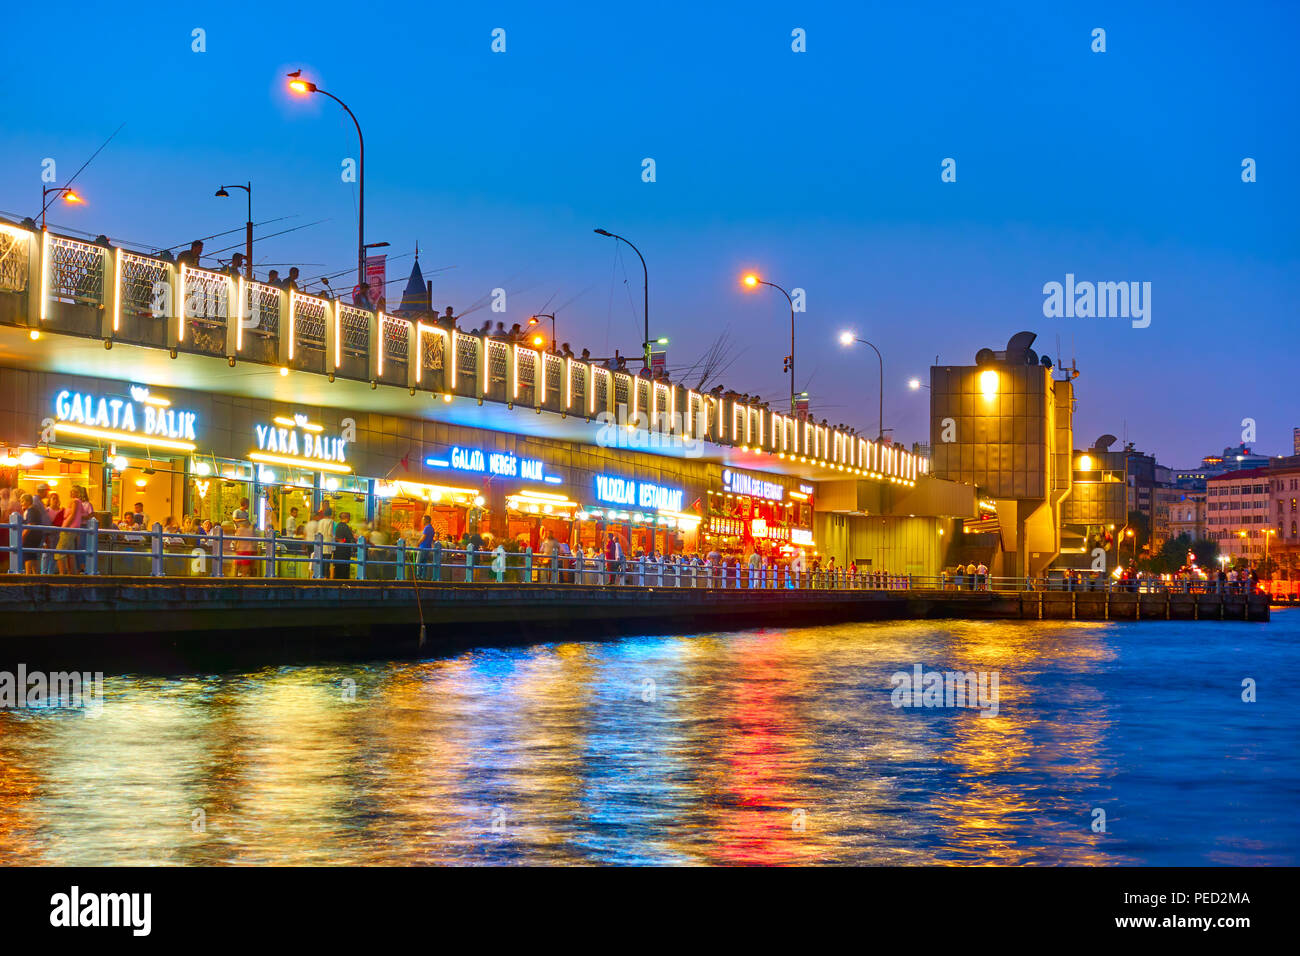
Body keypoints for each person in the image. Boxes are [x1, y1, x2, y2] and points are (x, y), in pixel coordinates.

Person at [57, 485, 92, 575]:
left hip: (69, 528)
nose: (71, 492)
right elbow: (82, 514)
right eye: (71, 491)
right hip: (74, 528)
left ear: (77, 493)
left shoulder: (75, 502)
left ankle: (62, 573)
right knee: (71, 551)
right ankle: (71, 572)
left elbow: (73, 515)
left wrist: (64, 527)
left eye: (73, 491)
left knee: (60, 551)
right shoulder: (79, 502)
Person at [20, 494, 42, 574]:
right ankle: (36, 576)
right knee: (33, 557)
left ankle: (28, 575)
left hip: (31, 537)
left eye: (22, 501)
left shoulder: (31, 511)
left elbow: (30, 524)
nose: (21, 503)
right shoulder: (35, 510)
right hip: (36, 536)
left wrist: (22, 536)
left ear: (28, 501)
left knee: (27, 557)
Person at [333, 512, 355, 579]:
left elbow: (338, 538)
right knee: (344, 570)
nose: (350, 519)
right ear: (346, 518)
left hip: (338, 551)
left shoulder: (338, 526)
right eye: (349, 517)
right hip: (344, 552)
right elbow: (349, 538)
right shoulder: (345, 526)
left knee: (338, 570)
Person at [416, 514, 434, 581]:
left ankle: (418, 577)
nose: (422, 521)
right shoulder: (432, 528)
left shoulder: (427, 528)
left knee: (419, 562)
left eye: (423, 520)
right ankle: (423, 577)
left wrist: (418, 543)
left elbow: (423, 537)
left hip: (423, 547)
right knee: (424, 563)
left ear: (426, 520)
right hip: (428, 548)